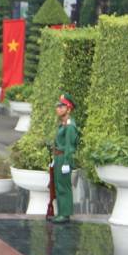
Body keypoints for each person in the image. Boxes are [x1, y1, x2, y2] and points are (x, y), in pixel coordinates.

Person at [51, 93, 79, 223]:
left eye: (62, 106)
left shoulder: (70, 126)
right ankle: (61, 212)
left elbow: (69, 146)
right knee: (58, 185)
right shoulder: (63, 124)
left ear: (68, 108)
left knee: (63, 186)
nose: (58, 109)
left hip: (64, 158)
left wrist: (67, 162)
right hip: (58, 158)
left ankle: (65, 214)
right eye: (58, 106)